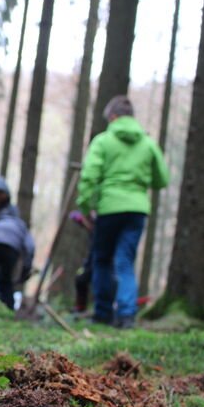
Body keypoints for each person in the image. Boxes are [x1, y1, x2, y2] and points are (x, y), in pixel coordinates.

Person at [76, 95, 168, 328]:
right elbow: (162, 179)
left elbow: (89, 176)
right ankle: (127, 315)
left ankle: (103, 313)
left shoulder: (103, 141)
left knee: (102, 260)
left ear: (113, 117)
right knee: (125, 262)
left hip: (108, 208)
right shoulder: (148, 143)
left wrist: (86, 208)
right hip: (137, 209)